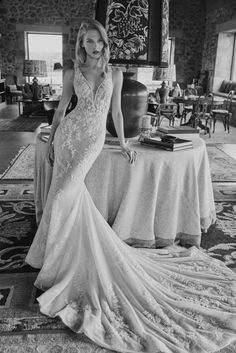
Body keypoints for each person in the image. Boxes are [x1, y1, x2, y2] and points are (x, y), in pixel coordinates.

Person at [25, 19, 236, 353]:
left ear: (104, 43)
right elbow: (63, 109)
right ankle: (59, 258)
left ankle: (66, 260)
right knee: (63, 196)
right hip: (68, 138)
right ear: (81, 44)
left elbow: (117, 115)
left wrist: (122, 143)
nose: (93, 46)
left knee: (67, 194)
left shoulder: (116, 74)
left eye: (98, 41)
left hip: (92, 141)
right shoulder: (72, 73)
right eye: (87, 41)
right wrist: (52, 140)